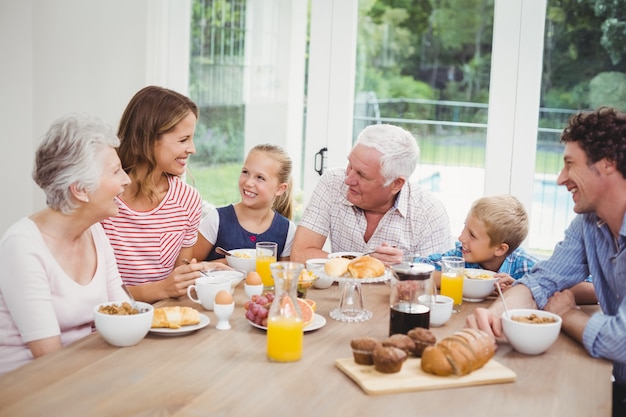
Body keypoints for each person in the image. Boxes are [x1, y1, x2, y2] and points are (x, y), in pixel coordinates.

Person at [465, 107, 626, 417]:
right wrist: (497, 315)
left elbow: (621, 341)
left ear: (608, 163)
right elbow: (544, 280)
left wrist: (566, 314)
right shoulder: (589, 223)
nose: (560, 179)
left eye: (569, 164)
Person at [0, 114, 131, 375]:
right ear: (80, 189)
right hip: (27, 387)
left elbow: (123, 316)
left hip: (82, 372)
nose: (127, 179)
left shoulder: (95, 233)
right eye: (116, 171)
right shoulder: (22, 246)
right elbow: (49, 359)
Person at [101, 86, 228, 304]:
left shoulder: (188, 200)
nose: (192, 149)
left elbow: (178, 284)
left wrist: (202, 271)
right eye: (183, 139)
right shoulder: (103, 197)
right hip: (109, 325)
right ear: (148, 138)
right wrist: (160, 289)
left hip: (164, 321)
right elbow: (93, 293)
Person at [291, 123, 453, 265]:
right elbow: (300, 255)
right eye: (350, 165)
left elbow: (436, 282)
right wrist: (366, 263)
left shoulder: (429, 213)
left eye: (362, 175)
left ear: (396, 184)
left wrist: (405, 266)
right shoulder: (333, 182)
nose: (348, 179)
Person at [192, 144, 296, 263]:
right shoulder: (216, 220)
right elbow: (188, 267)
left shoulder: (288, 230)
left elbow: (283, 276)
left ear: (280, 189)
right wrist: (222, 264)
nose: (248, 182)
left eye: (260, 178)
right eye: (245, 172)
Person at [416, 194, 537, 290]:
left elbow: (551, 292)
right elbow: (417, 269)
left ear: (500, 249)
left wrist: (518, 289)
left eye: (472, 235)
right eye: (465, 227)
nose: (461, 238)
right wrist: (456, 280)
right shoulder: (459, 257)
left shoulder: (526, 267)